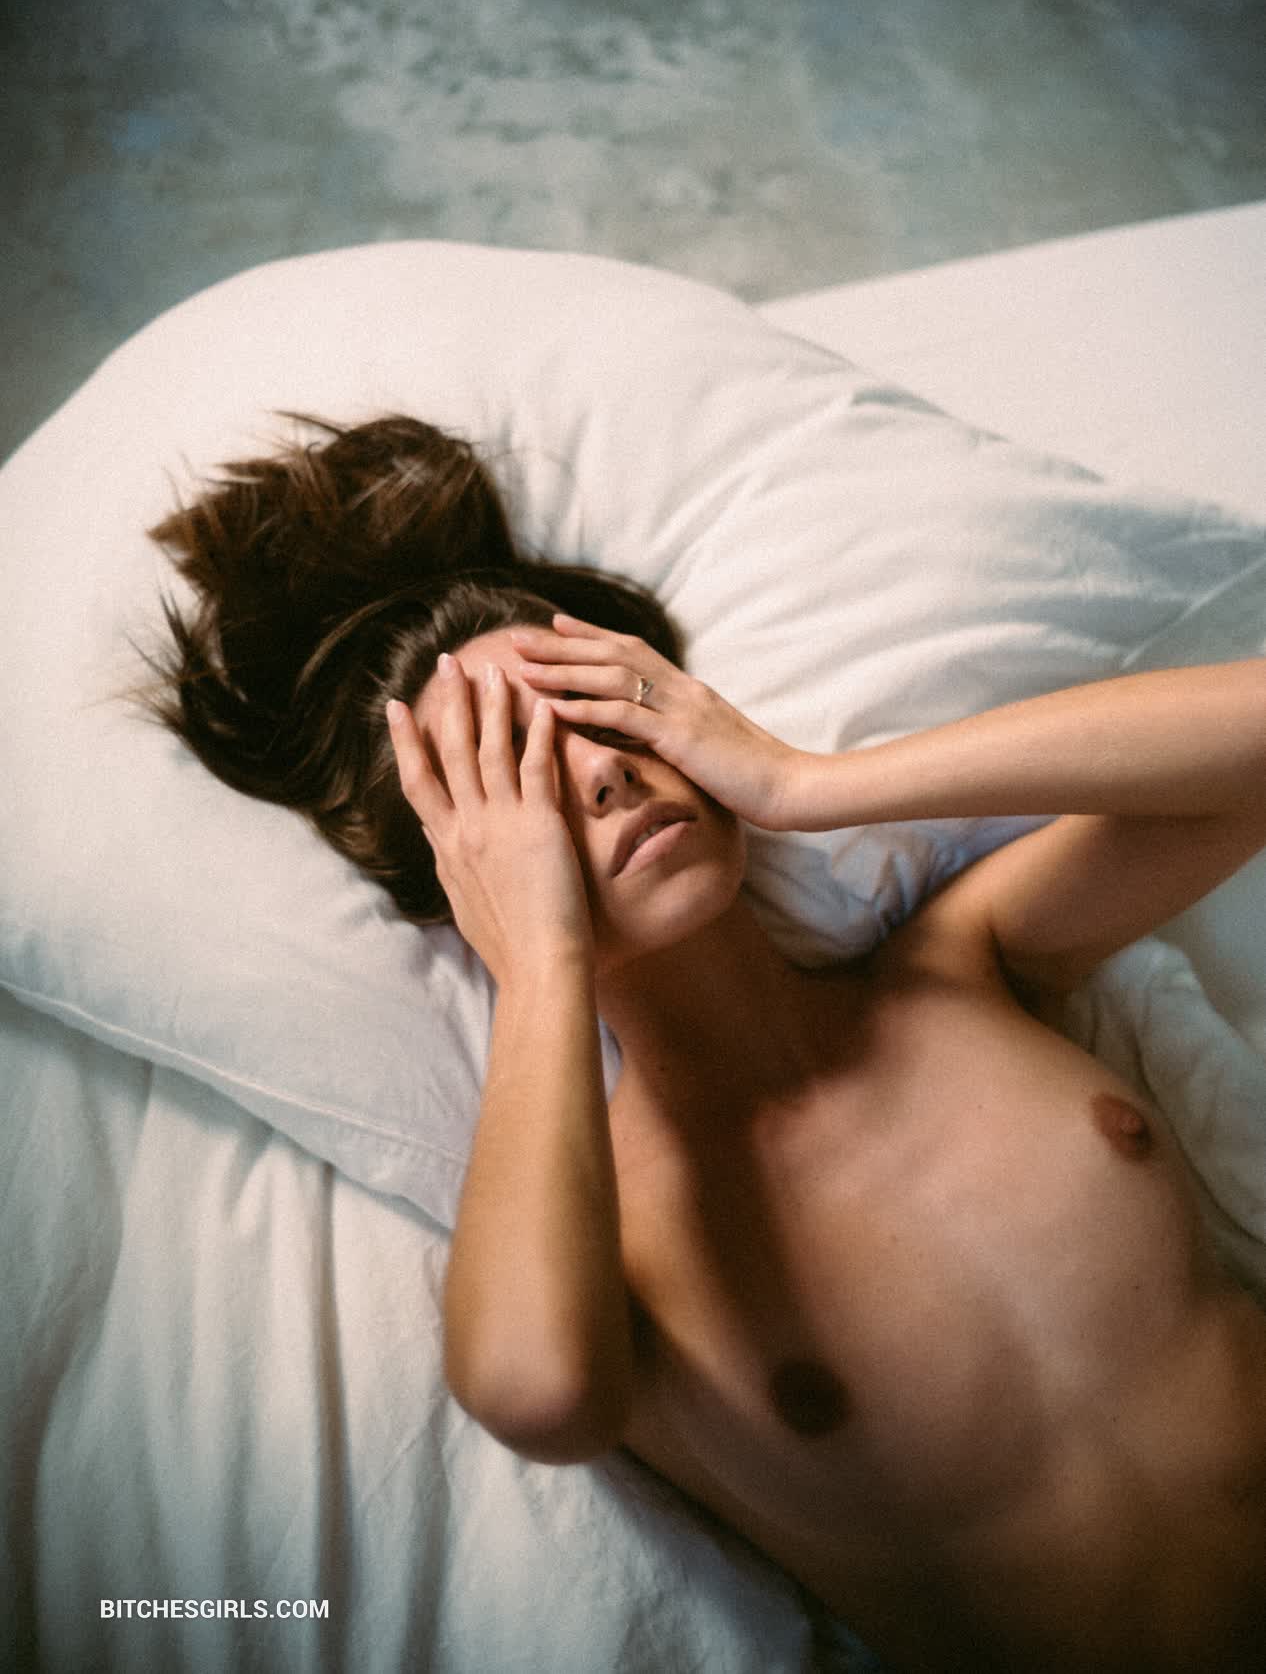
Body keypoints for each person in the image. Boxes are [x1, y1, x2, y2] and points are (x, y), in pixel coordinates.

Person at [146, 414, 1266, 1674]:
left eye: (609, 719)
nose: (604, 775)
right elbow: (536, 1391)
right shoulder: (611, 1242)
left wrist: (800, 784)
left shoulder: (964, 968)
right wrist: (538, 956)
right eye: (523, 771)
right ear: (461, 873)